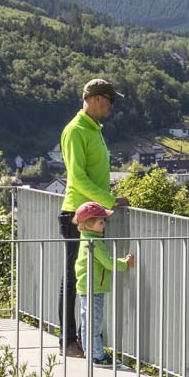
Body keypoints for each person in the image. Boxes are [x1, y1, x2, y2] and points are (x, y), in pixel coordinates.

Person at [58, 78, 121, 357]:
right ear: (95, 99)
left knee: (86, 277)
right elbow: (77, 177)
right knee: (74, 278)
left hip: (93, 214)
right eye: (109, 100)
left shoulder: (94, 130)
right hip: (77, 214)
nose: (111, 106)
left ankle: (88, 339)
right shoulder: (75, 131)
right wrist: (109, 201)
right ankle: (68, 340)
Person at [69, 201, 132, 365]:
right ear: (88, 224)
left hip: (86, 286)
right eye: (101, 222)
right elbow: (108, 262)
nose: (104, 225)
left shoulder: (86, 239)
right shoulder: (95, 243)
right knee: (94, 324)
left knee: (87, 321)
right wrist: (125, 263)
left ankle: (90, 352)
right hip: (94, 287)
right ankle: (98, 355)